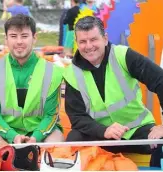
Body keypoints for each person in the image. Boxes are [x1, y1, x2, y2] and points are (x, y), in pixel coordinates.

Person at [63, 16, 163, 167]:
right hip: (100, 134)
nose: (88, 46)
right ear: (77, 44)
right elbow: (77, 117)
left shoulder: (123, 56)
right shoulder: (71, 73)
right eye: (83, 41)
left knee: (160, 142)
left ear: (105, 38)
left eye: (93, 39)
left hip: (136, 132)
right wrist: (103, 130)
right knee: (73, 139)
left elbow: (160, 80)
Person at [0, 14, 64, 144]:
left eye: (24, 36)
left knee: (56, 140)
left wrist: (35, 137)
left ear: (34, 38)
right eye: (13, 36)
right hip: (6, 131)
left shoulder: (52, 71)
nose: (19, 41)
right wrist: (13, 136)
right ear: (6, 39)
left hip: (40, 132)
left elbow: (51, 116)